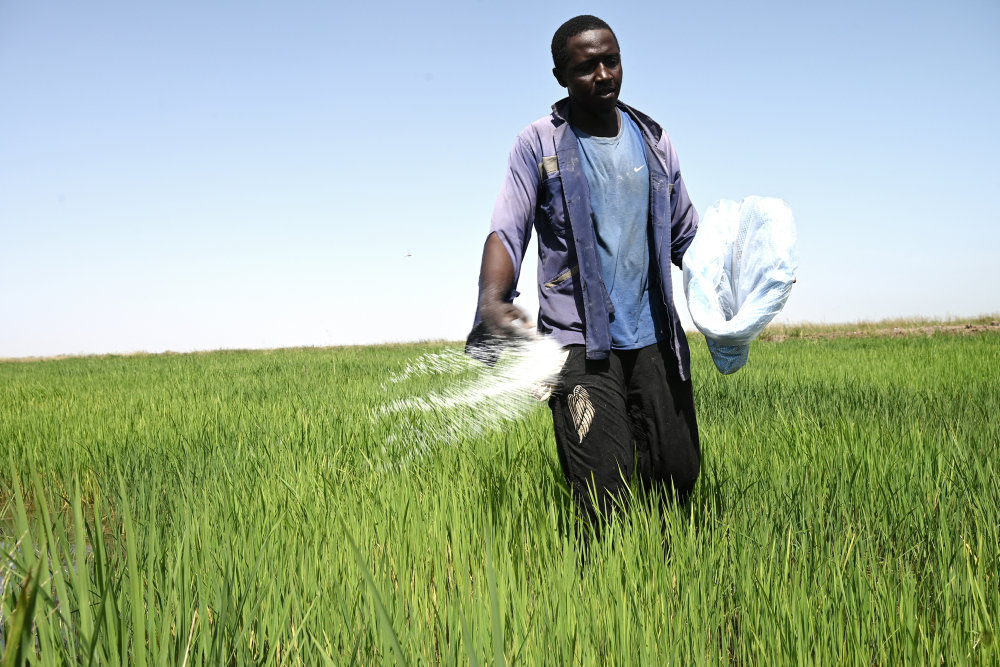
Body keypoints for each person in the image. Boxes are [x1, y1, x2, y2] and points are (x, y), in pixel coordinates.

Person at [467, 15, 701, 532]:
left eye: (611, 60)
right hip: (577, 342)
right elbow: (508, 230)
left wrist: (743, 284)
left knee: (679, 477)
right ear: (560, 76)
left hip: (653, 335)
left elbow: (686, 237)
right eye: (586, 67)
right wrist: (492, 300)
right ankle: (604, 588)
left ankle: (669, 577)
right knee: (601, 493)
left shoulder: (655, 142)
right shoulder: (539, 144)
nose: (603, 75)